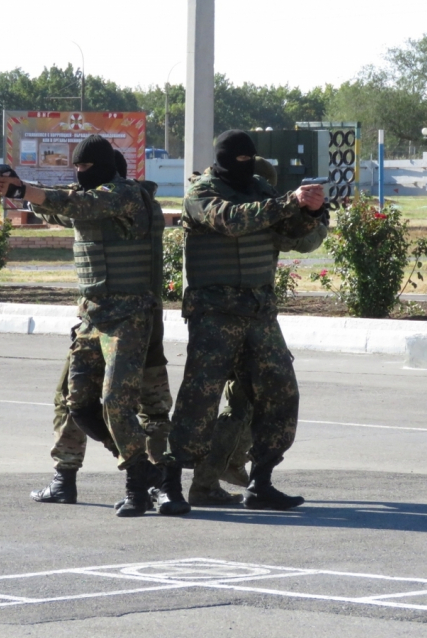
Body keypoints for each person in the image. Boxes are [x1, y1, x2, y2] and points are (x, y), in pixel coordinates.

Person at [0, 135, 181, 518]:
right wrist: (19, 190)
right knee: (76, 402)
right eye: (75, 169)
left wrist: (27, 188)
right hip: (94, 317)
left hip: (130, 317)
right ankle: (144, 470)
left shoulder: (124, 195)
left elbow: (77, 202)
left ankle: (140, 485)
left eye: (85, 168)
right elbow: (60, 208)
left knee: (121, 402)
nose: (80, 175)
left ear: (104, 168)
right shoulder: (89, 202)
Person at [162, 129, 325, 512]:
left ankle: (261, 481)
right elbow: (231, 220)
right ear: (222, 159)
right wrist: (288, 202)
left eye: (251, 159)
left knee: (281, 394)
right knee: (197, 402)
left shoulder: (260, 189)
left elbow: (299, 239)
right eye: (239, 159)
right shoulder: (201, 194)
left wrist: (313, 212)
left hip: (259, 313)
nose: (246, 166)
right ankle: (169, 484)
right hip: (215, 315)